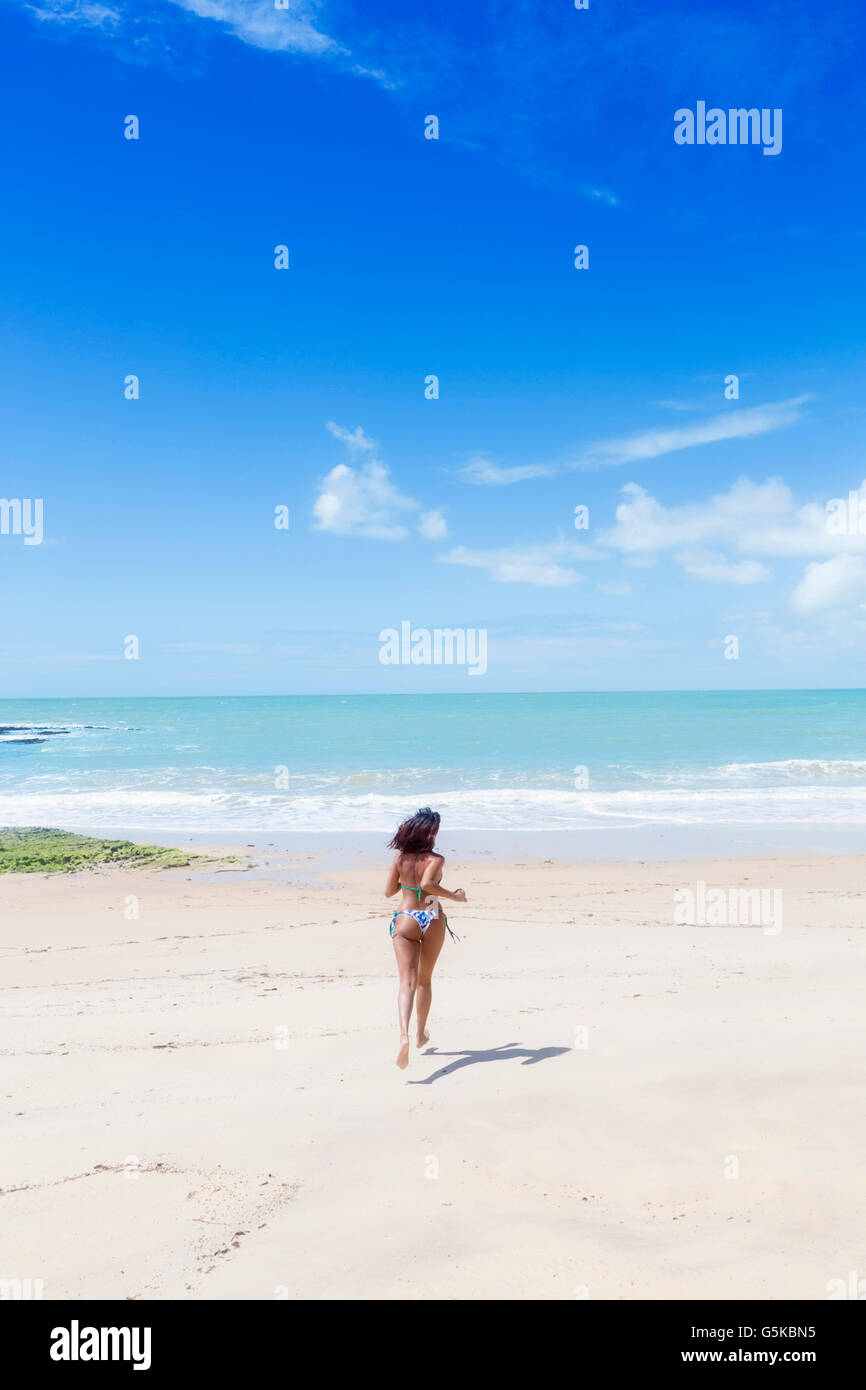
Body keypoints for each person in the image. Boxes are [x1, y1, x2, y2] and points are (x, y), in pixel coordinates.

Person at [384, 807, 467, 1070]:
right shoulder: (436, 859)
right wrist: (454, 895)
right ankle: (420, 1034)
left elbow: (388, 892)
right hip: (431, 916)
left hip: (406, 917)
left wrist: (404, 879)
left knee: (406, 983)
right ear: (430, 832)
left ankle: (404, 1037)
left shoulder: (400, 858)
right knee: (424, 981)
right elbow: (427, 886)